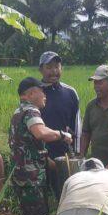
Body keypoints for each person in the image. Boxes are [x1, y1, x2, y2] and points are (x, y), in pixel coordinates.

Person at [10, 77, 73, 215]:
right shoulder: (30, 111)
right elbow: (40, 133)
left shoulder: (18, 112)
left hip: (25, 176)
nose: (45, 96)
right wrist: (62, 135)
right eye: (41, 91)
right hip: (30, 179)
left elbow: (29, 146)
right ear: (30, 94)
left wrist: (53, 164)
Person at [38, 51, 80, 199]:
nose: (54, 71)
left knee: (66, 196)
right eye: (49, 67)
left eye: (57, 67)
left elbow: (76, 125)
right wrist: (42, 155)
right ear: (41, 69)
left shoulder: (70, 92)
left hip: (64, 156)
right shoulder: (35, 92)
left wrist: (76, 153)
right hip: (39, 156)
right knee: (41, 198)